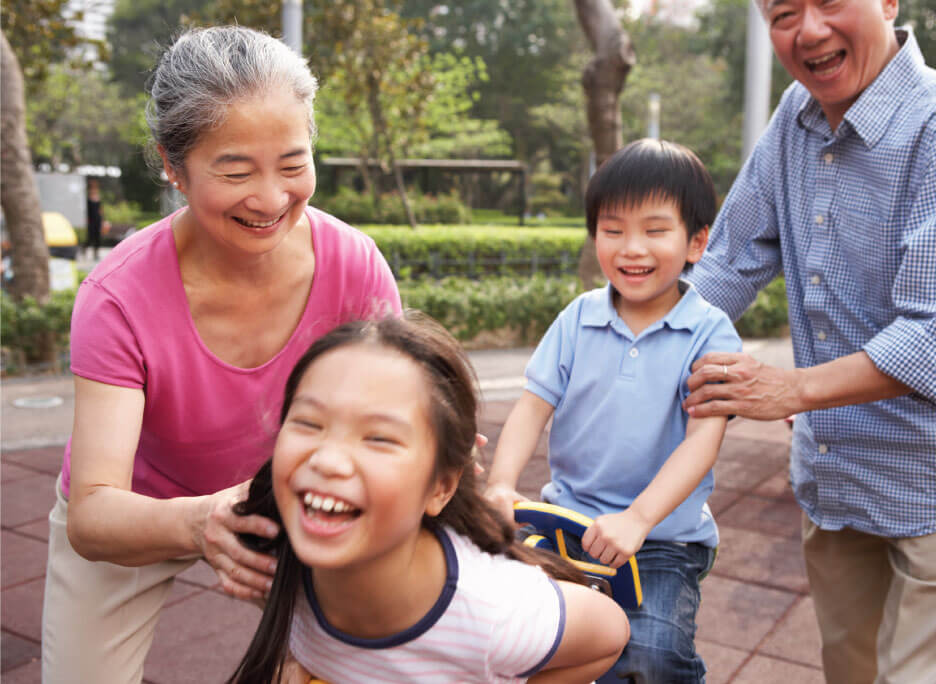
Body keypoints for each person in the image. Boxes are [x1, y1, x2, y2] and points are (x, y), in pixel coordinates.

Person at [40, 26, 402, 684]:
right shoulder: (119, 296)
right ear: (172, 167)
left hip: (296, 496)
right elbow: (93, 512)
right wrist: (196, 520)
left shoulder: (353, 266)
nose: (270, 198)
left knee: (359, 662)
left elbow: (401, 411)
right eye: (236, 172)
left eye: (292, 165)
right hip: (137, 507)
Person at [683, 1, 936, 682]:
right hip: (838, 468)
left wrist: (794, 388)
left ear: (889, 1)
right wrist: (624, 341)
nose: (808, 30)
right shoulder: (796, 115)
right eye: (783, 12)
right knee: (851, 672)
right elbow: (730, 260)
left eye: (831, 1)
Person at [228, 314, 630, 684]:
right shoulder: (271, 547)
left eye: (379, 438)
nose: (328, 459)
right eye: (308, 423)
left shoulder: (491, 614)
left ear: (441, 487)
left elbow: (610, 634)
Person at [486, 139, 743, 682]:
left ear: (697, 242)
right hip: (567, 523)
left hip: (661, 538)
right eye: (612, 229)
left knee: (650, 655)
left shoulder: (710, 333)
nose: (631, 248)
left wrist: (639, 519)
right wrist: (502, 484)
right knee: (516, 634)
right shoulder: (579, 318)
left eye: (654, 231)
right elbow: (533, 408)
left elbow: (703, 441)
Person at [85, 178, 104, 260]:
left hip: (98, 220)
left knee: (97, 237)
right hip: (91, 220)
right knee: (90, 237)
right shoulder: (88, 198)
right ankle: (84, 248)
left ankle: (96, 253)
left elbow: (100, 210)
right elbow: (87, 210)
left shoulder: (98, 197)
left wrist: (103, 220)